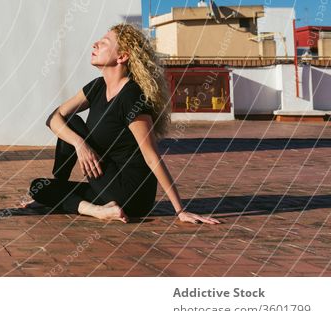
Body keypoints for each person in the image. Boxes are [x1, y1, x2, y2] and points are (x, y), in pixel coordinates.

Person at [25, 23, 221, 225]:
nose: (95, 44)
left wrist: (180, 210)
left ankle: (93, 209)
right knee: (39, 187)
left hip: (131, 192)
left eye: (104, 42)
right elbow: (54, 117)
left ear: (122, 56)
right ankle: (95, 208)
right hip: (104, 181)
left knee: (71, 125)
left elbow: (151, 156)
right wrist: (79, 145)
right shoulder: (97, 87)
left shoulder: (132, 97)